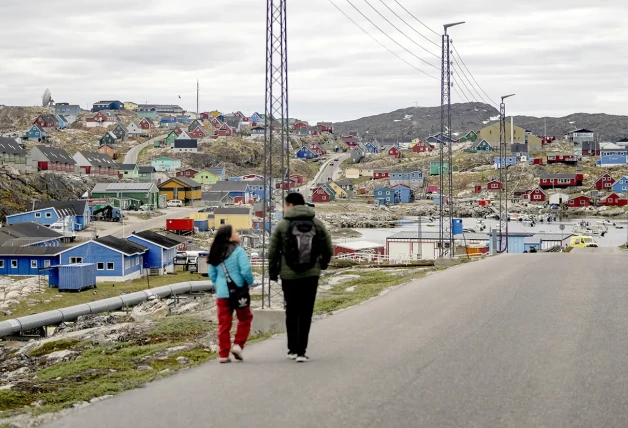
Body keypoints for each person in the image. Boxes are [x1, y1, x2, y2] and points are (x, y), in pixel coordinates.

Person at [268, 192, 332, 363]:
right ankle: (302, 352)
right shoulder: (317, 223)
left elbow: (272, 251)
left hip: (289, 275)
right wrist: (322, 265)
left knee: (291, 310)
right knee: (306, 311)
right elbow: (328, 248)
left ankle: (292, 349)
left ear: (290, 205)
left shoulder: (283, 225)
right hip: (311, 274)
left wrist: (273, 271)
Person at [208, 225, 254, 364]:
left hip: (222, 294)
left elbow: (212, 275)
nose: (238, 233)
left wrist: (221, 285)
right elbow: (246, 270)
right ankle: (238, 345)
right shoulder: (238, 251)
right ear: (229, 237)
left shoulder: (215, 252)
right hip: (239, 291)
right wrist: (248, 283)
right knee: (245, 318)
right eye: (235, 232)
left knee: (224, 324)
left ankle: (223, 354)